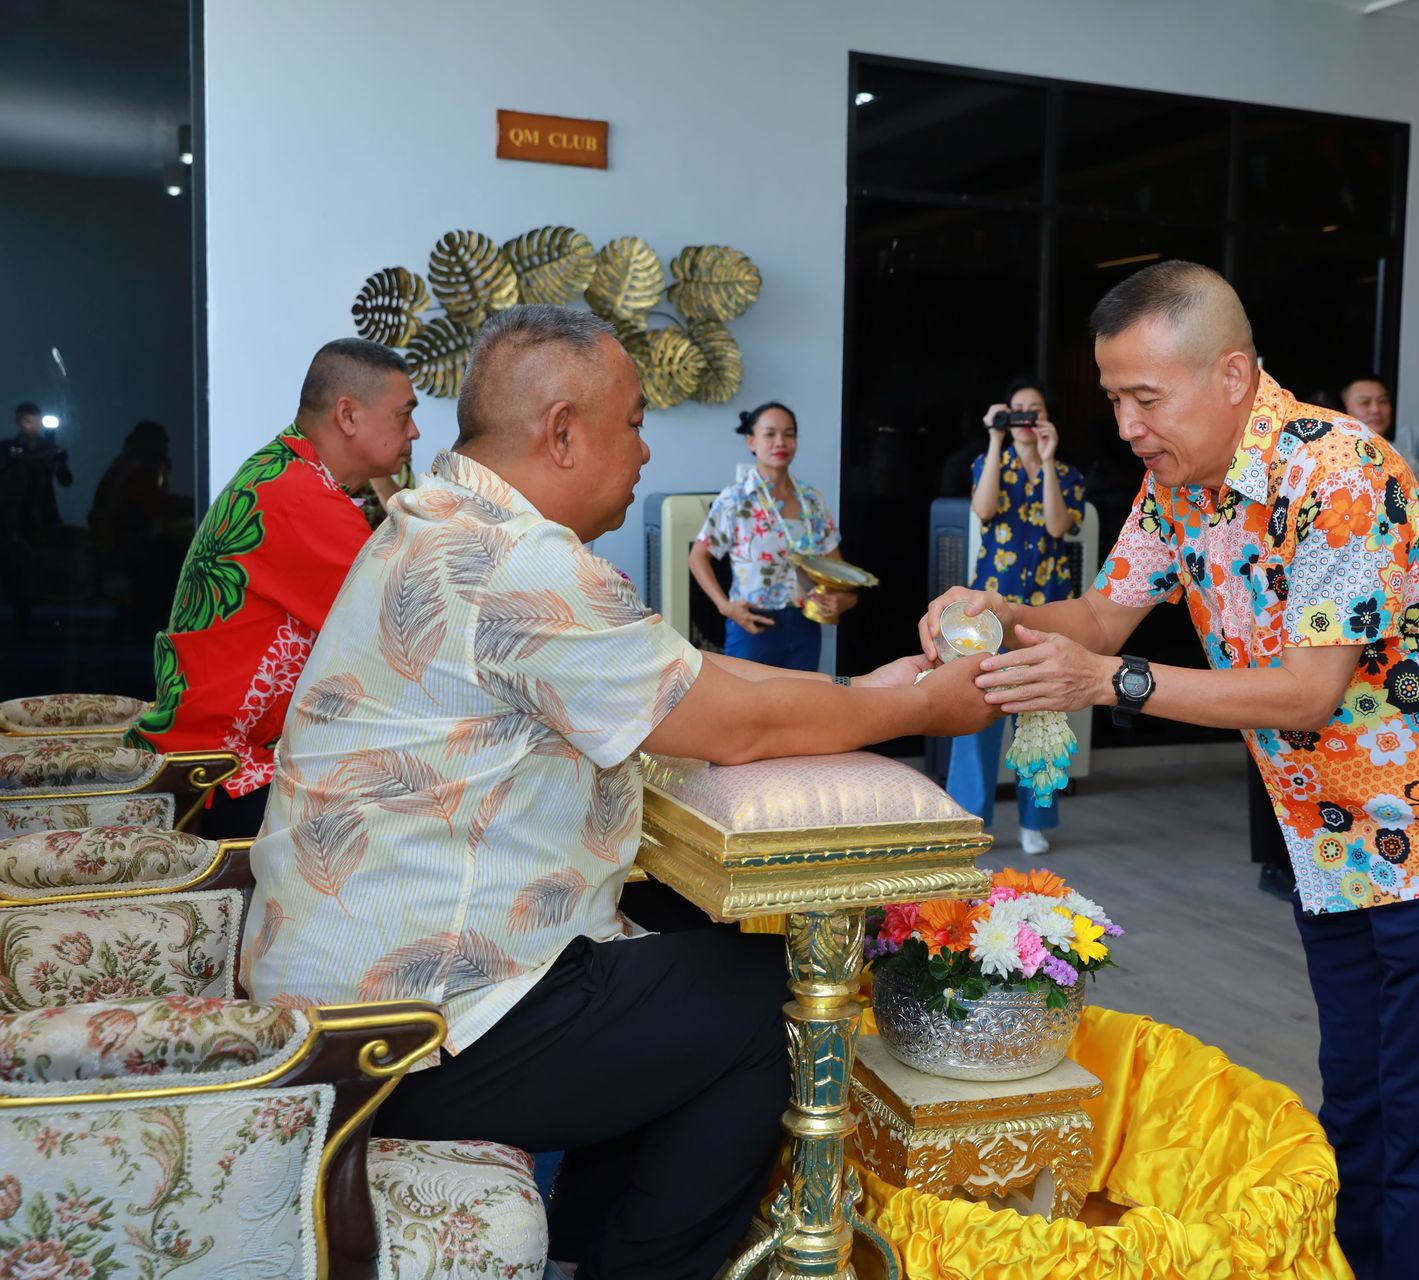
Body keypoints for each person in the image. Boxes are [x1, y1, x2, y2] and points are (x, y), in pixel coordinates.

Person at [239, 305, 994, 1280]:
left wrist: (866, 689)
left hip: (354, 1000)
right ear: (561, 430)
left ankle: (594, 1244)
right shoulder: (515, 560)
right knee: (772, 1002)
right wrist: (920, 707)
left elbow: (682, 672)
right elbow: (733, 723)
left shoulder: (444, 519)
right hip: (406, 1038)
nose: (644, 451)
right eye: (633, 423)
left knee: (687, 944)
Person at [916, 262, 1419, 1280]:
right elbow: (1102, 616)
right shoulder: (1178, 485)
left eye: (1144, 397)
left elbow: (1306, 690)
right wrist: (997, 611)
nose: (1126, 426)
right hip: (1331, 831)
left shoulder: (1341, 471)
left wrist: (1108, 682)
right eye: (1113, 399)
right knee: (1355, 1096)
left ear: (1233, 375)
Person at [126, 339, 420, 838]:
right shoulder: (302, 499)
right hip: (220, 773)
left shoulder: (285, 470)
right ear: (348, 415)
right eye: (404, 414)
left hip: (207, 750)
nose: (414, 431)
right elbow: (411, 632)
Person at [944, 378, 1086, 855]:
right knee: (976, 715)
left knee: (1042, 718)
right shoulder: (988, 463)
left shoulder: (1066, 473)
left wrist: (1047, 460)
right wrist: (994, 437)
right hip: (987, 613)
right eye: (1017, 410)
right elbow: (983, 509)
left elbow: (1058, 526)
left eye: (1034, 410)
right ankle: (970, 823)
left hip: (1046, 611)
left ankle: (1034, 821)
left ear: (1047, 417)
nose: (1026, 418)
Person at [689, 401, 854, 672]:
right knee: (744, 698)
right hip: (752, 625)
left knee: (800, 698)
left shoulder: (812, 500)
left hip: (804, 625)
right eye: (770, 434)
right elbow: (698, 557)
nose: (780, 442)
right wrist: (725, 607)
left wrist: (843, 599)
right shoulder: (735, 498)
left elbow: (837, 569)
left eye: (789, 434)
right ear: (751, 442)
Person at [88, 419, 193, 641]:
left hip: (123, 545)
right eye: (161, 443)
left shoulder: (133, 467)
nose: (165, 449)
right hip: (123, 549)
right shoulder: (134, 470)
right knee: (170, 556)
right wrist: (198, 504)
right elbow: (158, 505)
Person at [1, 402, 74, 635]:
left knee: (47, 567)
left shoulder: (49, 449)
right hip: (16, 516)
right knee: (18, 568)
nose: (31, 426)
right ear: (18, 422)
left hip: (43, 515)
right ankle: (21, 619)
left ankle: (46, 621)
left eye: (35, 421)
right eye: (26, 421)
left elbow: (65, 480)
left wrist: (59, 461)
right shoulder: (8, 448)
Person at [1340, 375, 1419, 496]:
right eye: (1365, 403)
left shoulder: (1406, 460)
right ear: (1344, 410)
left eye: (1382, 401)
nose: (1376, 409)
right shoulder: (1332, 455)